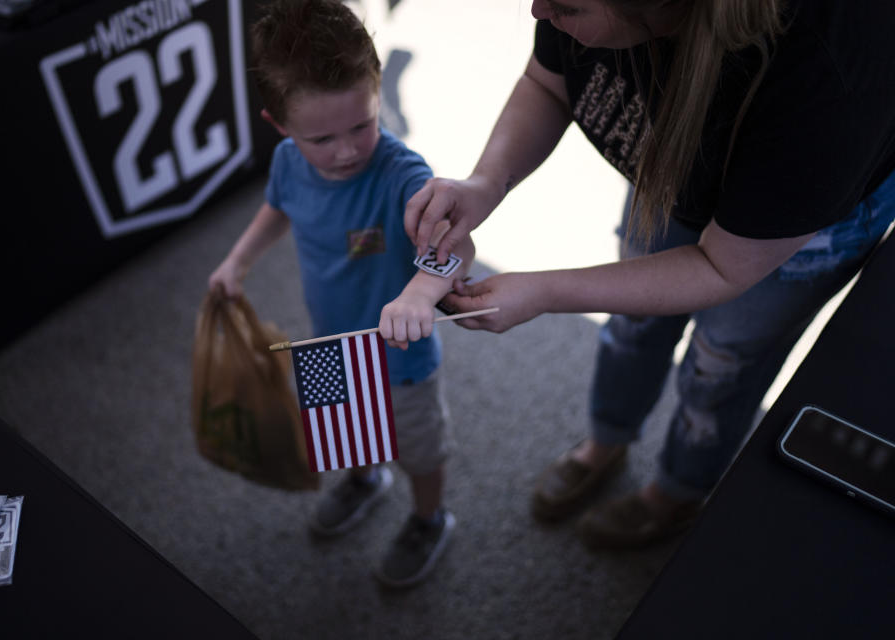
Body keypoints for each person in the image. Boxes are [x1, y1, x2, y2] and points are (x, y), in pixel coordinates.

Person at [404, 0, 895, 549]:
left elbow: (722, 265)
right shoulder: (590, 15)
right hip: (677, 169)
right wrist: (486, 182)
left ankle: (676, 492)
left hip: (795, 232)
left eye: (565, 6)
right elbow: (548, 84)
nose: (538, 11)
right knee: (632, 323)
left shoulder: (825, 82)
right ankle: (606, 442)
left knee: (722, 365)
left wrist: (545, 290)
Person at [208, 0, 475, 587]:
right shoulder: (286, 162)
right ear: (279, 126)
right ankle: (363, 479)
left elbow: (459, 245)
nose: (349, 149)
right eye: (322, 138)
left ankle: (429, 516)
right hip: (328, 338)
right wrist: (238, 260)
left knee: (419, 448)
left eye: (363, 123)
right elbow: (277, 209)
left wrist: (420, 294)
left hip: (402, 357)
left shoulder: (402, 172)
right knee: (342, 429)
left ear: (377, 92)